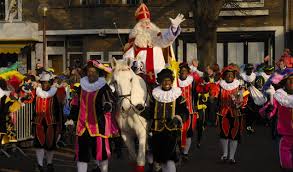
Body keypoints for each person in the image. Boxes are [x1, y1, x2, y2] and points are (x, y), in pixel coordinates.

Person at [123, 3, 185, 84]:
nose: (147, 25)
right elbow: (126, 60)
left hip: (159, 78)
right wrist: (134, 63)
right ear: (138, 27)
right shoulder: (134, 43)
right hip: (141, 80)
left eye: (148, 22)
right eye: (144, 23)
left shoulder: (157, 39)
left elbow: (167, 39)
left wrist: (174, 28)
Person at [76, 60, 118, 172]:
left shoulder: (103, 87)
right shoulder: (82, 86)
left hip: (99, 124)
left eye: (94, 71)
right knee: (82, 152)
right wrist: (71, 118)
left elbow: (112, 101)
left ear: (98, 73)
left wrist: (108, 106)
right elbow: (76, 103)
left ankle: (102, 169)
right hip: (82, 125)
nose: (91, 74)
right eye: (89, 71)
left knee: (101, 152)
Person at [150, 68, 189, 172]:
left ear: (172, 82)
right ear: (160, 82)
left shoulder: (177, 96)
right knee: (160, 159)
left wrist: (179, 118)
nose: (167, 83)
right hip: (157, 131)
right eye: (164, 81)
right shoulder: (154, 95)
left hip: (172, 131)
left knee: (170, 158)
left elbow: (185, 111)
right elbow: (149, 112)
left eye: (169, 81)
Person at [210, 65, 248, 164]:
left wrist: (241, 102)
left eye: (231, 74)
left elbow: (245, 96)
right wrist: (212, 96)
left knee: (234, 135)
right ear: (224, 75)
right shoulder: (219, 85)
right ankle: (225, 154)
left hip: (236, 113)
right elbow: (214, 93)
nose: (229, 76)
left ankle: (231, 157)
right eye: (227, 74)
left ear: (234, 75)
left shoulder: (239, 85)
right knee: (223, 134)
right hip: (223, 113)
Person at [263, 72, 293, 171]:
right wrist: (267, 112)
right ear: (285, 84)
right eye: (290, 81)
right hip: (286, 129)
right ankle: (287, 166)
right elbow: (272, 106)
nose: (292, 83)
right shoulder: (280, 96)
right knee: (285, 148)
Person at [33, 71, 61, 172]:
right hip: (38, 122)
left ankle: (49, 163)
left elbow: (59, 109)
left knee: (50, 144)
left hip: (51, 122)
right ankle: (39, 165)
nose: (45, 84)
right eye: (43, 82)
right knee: (39, 144)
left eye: (47, 82)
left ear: (51, 83)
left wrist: (60, 126)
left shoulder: (55, 93)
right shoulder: (36, 92)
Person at [177, 63, 197, 160]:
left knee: (189, 132)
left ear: (188, 72)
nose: (183, 72)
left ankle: (185, 153)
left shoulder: (192, 81)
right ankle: (178, 150)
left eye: (185, 71)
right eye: (181, 70)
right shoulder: (175, 81)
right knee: (177, 132)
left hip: (190, 110)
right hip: (178, 111)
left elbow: (196, 93)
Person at [240, 64, 258, 134]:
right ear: (246, 69)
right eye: (248, 69)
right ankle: (245, 126)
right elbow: (241, 87)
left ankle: (249, 125)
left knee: (253, 112)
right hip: (245, 95)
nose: (250, 70)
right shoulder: (242, 76)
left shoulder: (255, 75)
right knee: (245, 111)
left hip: (253, 96)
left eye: (251, 69)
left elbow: (257, 86)